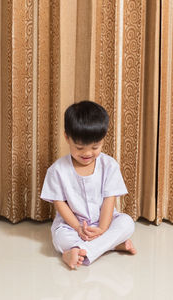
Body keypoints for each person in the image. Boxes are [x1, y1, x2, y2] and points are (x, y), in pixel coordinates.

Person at [41, 100, 136, 269]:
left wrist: (102, 228)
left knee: (127, 223)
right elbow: (59, 204)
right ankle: (112, 245)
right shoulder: (57, 170)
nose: (87, 153)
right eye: (79, 148)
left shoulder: (110, 165)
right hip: (72, 225)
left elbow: (109, 199)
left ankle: (80, 251)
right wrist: (78, 227)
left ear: (102, 139)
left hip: (103, 221)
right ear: (66, 137)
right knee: (61, 238)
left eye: (95, 147)